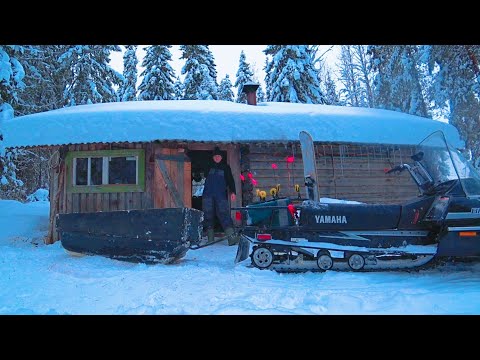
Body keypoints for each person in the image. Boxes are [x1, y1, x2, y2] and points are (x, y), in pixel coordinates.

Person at [202, 146, 238, 246]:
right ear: (213, 157)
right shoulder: (208, 166)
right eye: (215, 156)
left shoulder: (226, 167)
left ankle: (231, 238)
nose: (217, 158)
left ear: (221, 157)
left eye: (219, 156)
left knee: (224, 214)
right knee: (208, 215)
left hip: (220, 195)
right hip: (208, 195)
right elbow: (204, 175)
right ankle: (210, 239)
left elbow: (230, 180)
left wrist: (233, 192)